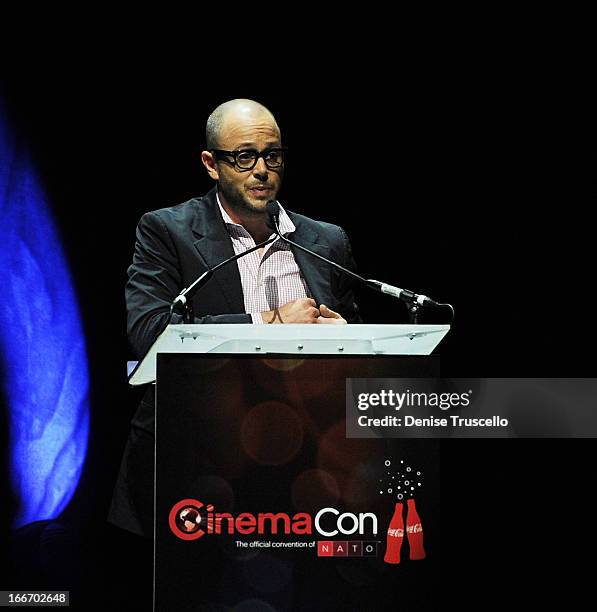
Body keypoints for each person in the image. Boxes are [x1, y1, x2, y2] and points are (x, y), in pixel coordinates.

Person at [108, 99, 361, 537]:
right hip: (191, 464)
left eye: (273, 155)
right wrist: (270, 322)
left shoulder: (324, 241)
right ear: (211, 163)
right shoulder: (168, 231)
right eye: (244, 156)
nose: (261, 170)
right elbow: (150, 333)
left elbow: (361, 349)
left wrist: (347, 340)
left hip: (301, 465)